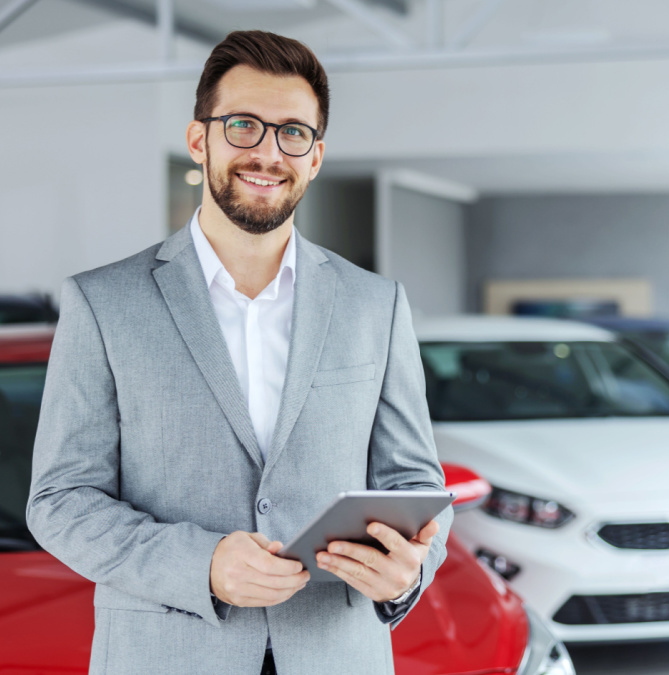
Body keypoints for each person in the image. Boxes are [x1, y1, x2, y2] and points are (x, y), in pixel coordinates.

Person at [26, 30, 452, 675]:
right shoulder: (102, 303)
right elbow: (60, 500)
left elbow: (416, 485)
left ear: (314, 158)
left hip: (337, 654)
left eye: (292, 133)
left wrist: (406, 572)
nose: (267, 153)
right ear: (200, 141)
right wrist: (202, 564)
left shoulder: (376, 305)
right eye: (245, 126)